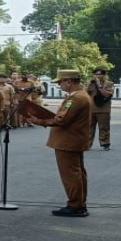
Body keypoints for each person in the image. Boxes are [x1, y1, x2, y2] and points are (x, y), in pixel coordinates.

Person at [29, 69, 94, 217]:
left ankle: (76, 205)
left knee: (71, 174)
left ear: (69, 81)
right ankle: (79, 203)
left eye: (60, 82)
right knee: (77, 172)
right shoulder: (80, 96)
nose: (59, 85)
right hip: (73, 140)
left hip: (68, 142)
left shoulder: (76, 98)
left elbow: (61, 120)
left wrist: (38, 120)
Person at [85, 68, 115, 150]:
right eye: (96, 74)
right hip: (91, 109)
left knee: (104, 127)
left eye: (100, 74)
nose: (98, 76)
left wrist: (99, 85)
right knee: (89, 128)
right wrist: (89, 84)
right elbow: (84, 93)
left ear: (104, 75)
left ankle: (105, 144)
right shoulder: (91, 84)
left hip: (103, 109)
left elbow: (108, 95)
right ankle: (87, 144)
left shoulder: (109, 84)